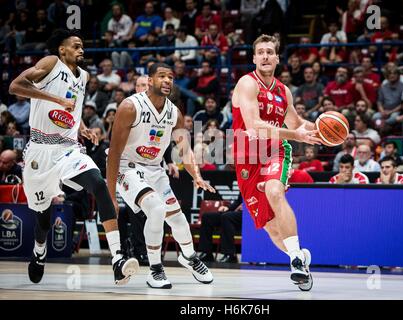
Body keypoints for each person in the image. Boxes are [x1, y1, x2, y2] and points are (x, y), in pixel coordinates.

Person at [8, 29, 139, 285]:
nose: (81, 50)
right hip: (40, 152)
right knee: (43, 221)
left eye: (83, 46)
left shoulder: (85, 76)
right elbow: (15, 86)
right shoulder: (50, 63)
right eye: (76, 46)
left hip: (68, 148)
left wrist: (81, 127)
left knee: (98, 184)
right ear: (62, 49)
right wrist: (54, 98)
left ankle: (117, 260)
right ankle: (39, 252)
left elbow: (73, 106)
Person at [106, 62, 215, 289]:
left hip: (155, 169)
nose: (167, 81)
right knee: (156, 209)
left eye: (171, 77)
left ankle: (189, 257)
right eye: (162, 76)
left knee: (178, 218)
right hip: (128, 167)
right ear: (151, 79)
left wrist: (197, 175)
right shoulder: (129, 107)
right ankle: (155, 270)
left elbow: (185, 149)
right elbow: (114, 152)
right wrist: (111, 196)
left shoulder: (174, 113)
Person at [232, 34, 321, 291]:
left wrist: (323, 130)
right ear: (254, 58)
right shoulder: (247, 84)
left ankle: (295, 261)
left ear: (277, 58)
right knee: (271, 229)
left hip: (274, 151)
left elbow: (296, 124)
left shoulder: (284, 91)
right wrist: (296, 134)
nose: (265, 56)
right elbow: (255, 126)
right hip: (247, 159)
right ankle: (300, 256)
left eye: (270, 52)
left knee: (274, 190)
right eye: (260, 52)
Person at [198, 193, 243, 263]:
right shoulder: (245, 183)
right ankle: (206, 253)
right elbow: (239, 201)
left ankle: (230, 255)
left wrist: (248, 207)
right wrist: (228, 208)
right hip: (239, 213)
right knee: (207, 217)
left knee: (226, 217)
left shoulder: (260, 184)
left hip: (251, 215)